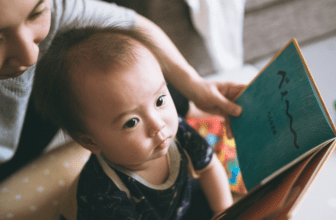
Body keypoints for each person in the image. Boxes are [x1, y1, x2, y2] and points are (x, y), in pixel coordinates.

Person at [0, 0, 244, 183]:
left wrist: (196, 87)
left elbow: (134, 25)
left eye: (37, 14)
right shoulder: (106, 191)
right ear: (88, 141)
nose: (29, 56)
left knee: (133, 87)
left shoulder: (55, 6)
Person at [32, 25, 233, 219]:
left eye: (160, 101)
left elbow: (208, 166)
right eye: (131, 122)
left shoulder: (177, 129)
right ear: (90, 142)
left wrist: (222, 210)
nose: (157, 125)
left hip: (178, 203)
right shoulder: (105, 195)